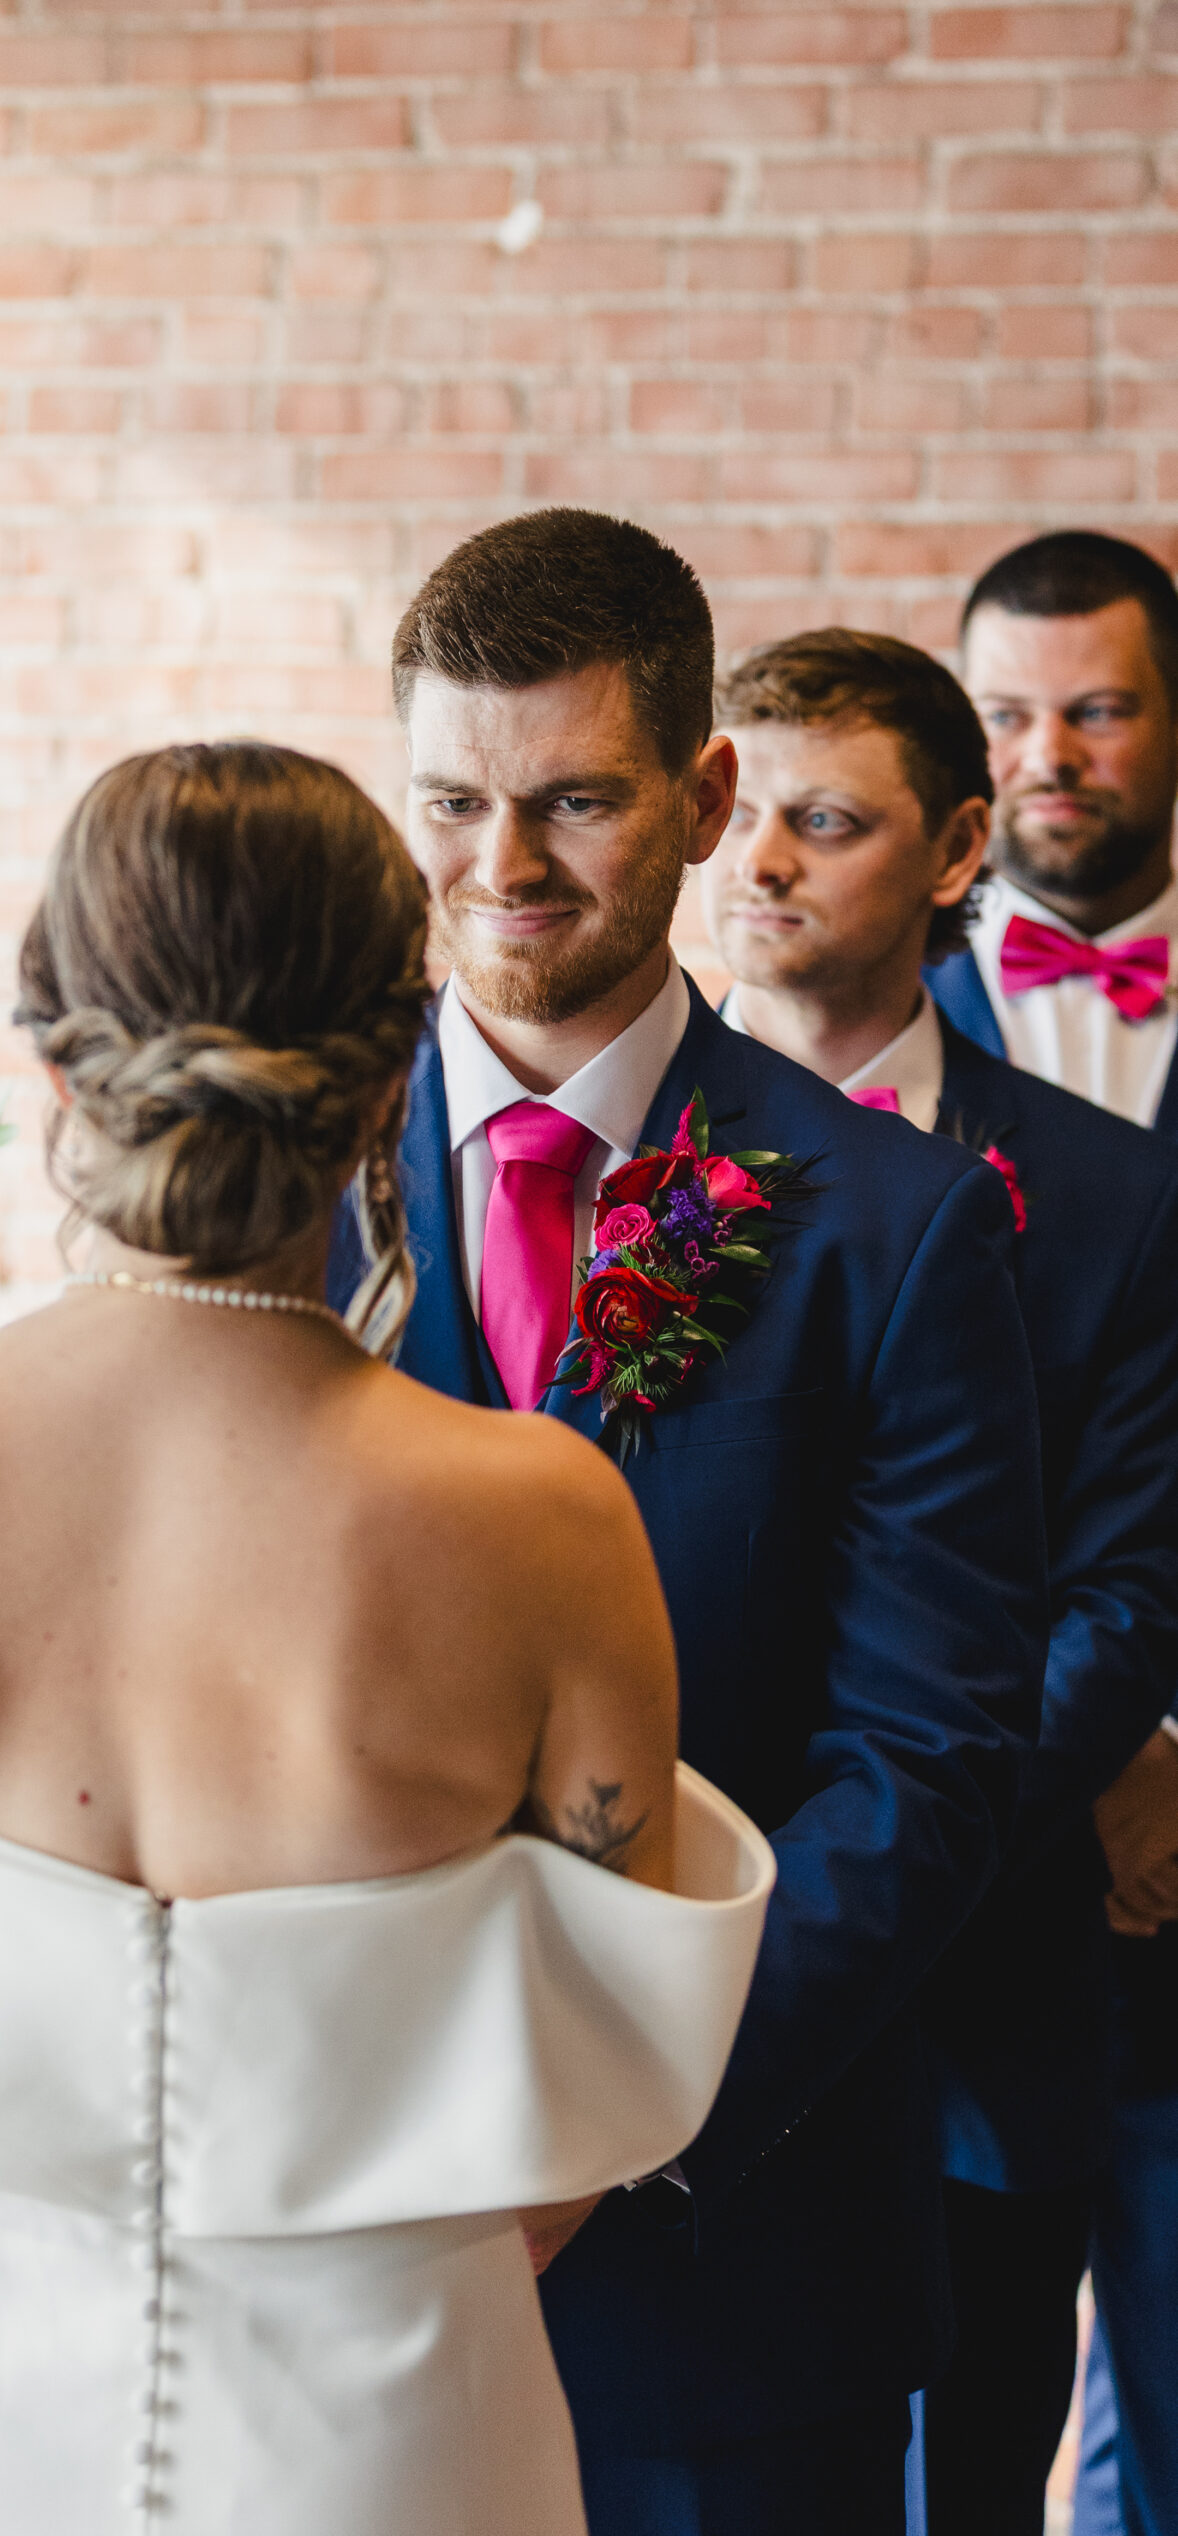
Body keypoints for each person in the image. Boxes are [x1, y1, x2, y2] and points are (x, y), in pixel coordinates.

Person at [0, 742, 774, 2536]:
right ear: (392, 1073)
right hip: (388, 2426)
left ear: (55, 1055)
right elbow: (603, 2064)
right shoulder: (537, 1524)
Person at [326, 509, 1049, 2536]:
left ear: (705, 797)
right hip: (327, 2256)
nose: (502, 864)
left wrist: (613, 2113)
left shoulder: (897, 1227)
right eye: (451, 802)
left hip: (732, 2277)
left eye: (573, 800)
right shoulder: (275, 1200)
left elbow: (924, 1758)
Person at [701, 625, 1178, 2536]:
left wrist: (874, 1863)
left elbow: (1119, 1599)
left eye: (825, 823)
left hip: (974, 2000)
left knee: (964, 2490)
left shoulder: (1105, 1192)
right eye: (740, 815)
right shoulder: (596, 1156)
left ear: (957, 850)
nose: (761, 863)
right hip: (653, 1968)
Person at [937, 532, 1178, 2536]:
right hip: (980, 1818)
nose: (1047, 758)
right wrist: (1071, 1749)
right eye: (1005, 715)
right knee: (948, 2422)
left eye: (1093, 711)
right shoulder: (842, 1030)